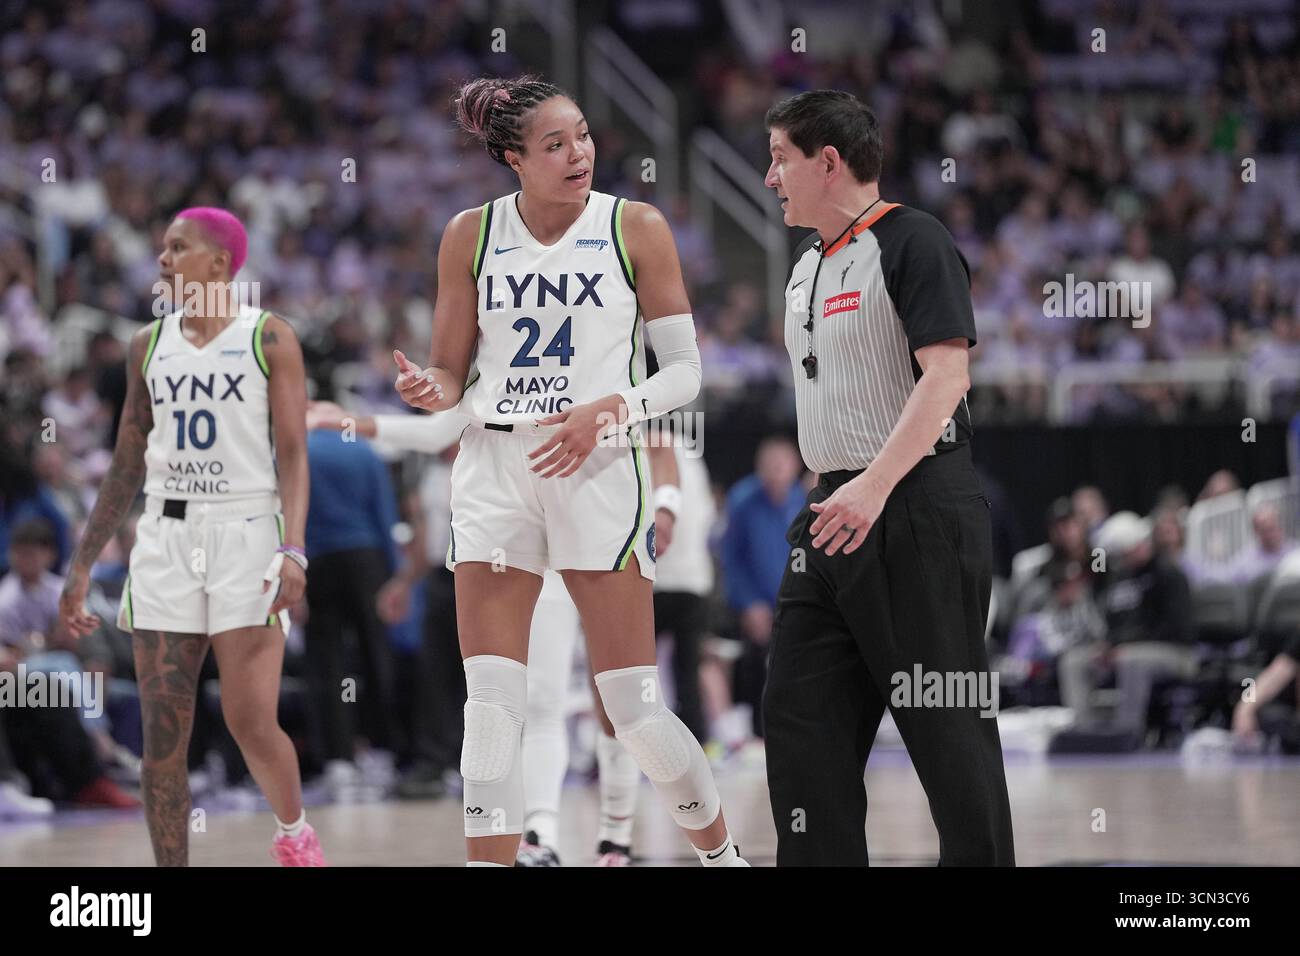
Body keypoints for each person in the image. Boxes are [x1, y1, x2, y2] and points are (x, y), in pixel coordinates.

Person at [394, 75, 746, 866]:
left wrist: (608, 411)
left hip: (597, 460)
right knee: (491, 710)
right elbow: (451, 374)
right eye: (555, 144)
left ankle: (724, 860)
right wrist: (430, 388)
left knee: (632, 708)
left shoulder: (635, 226)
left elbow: (686, 372)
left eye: (582, 136)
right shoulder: (470, 236)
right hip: (495, 463)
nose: (579, 153)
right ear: (513, 158)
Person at [761, 89, 1014, 865]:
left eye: (780, 160)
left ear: (828, 162)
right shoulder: (805, 267)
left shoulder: (915, 240)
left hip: (914, 508)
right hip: (831, 511)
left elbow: (947, 379)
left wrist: (872, 485)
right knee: (799, 723)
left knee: (948, 734)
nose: (770, 178)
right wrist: (845, 492)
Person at [59, 208, 325, 866]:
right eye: (163, 248)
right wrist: (83, 562)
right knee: (162, 740)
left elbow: (293, 455)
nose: (163, 259)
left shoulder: (270, 338)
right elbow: (126, 460)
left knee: (248, 721)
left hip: (248, 529)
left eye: (178, 247)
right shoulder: (147, 345)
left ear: (219, 261)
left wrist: (294, 549)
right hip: (166, 533)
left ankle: (294, 834)